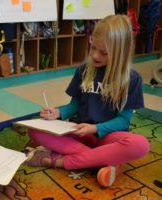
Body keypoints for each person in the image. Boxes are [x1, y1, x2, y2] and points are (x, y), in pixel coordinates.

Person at [25, 15, 150, 187]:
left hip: (109, 137)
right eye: (93, 48)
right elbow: (75, 105)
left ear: (120, 54)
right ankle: (105, 160)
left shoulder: (131, 79)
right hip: (79, 132)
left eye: (104, 53)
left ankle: (60, 162)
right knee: (34, 130)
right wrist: (59, 113)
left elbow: (123, 120)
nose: (95, 55)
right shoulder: (84, 70)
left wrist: (95, 128)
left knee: (140, 144)